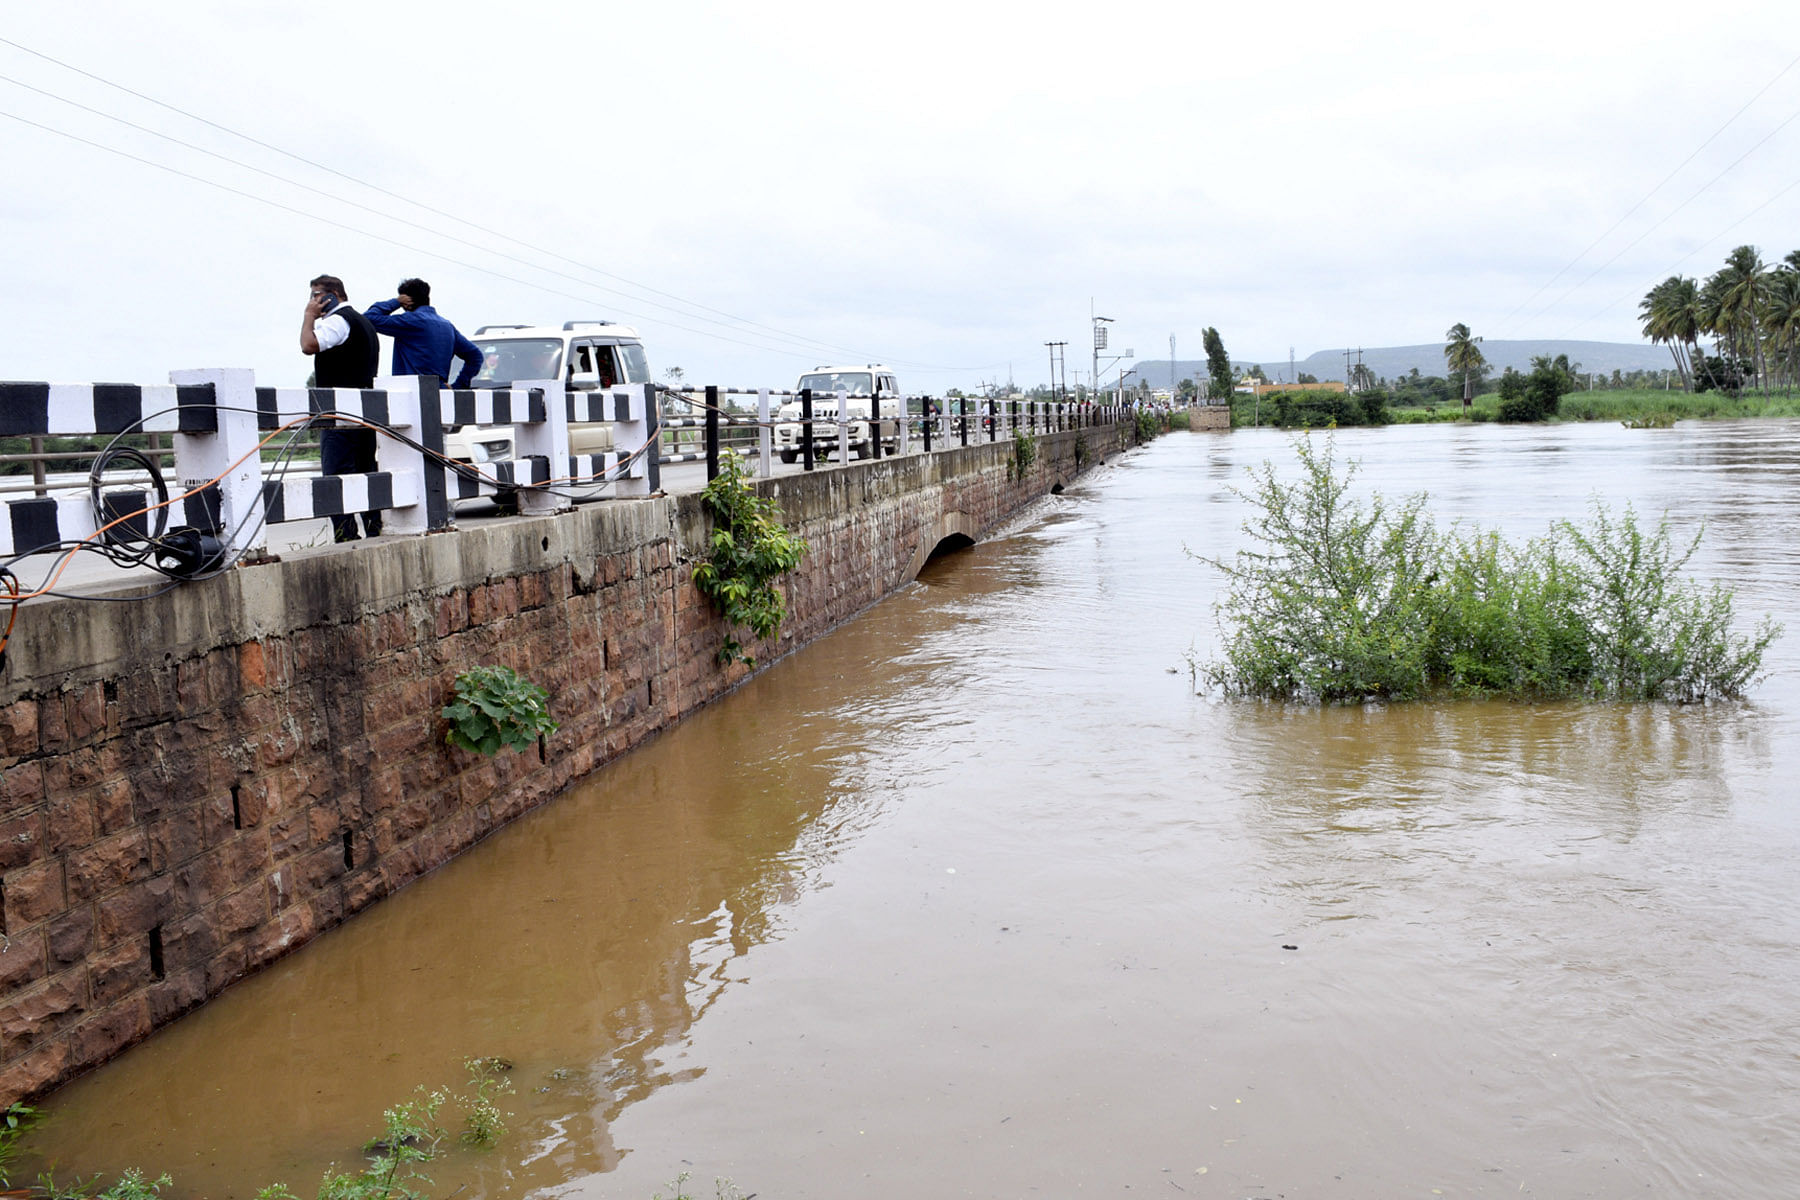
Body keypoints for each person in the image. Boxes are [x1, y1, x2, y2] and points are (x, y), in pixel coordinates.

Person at [300, 274, 383, 542]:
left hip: (339, 414)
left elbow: (308, 345)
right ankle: (375, 531)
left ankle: (346, 535)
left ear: (332, 294)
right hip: (363, 413)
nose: (312, 301)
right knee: (366, 472)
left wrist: (308, 316)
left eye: (316, 295)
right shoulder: (364, 323)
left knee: (335, 477)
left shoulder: (337, 321)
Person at [363, 278, 483, 388]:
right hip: (440, 394)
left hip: (412, 393)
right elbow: (475, 356)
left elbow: (369, 318)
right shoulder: (447, 326)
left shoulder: (411, 321)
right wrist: (458, 386)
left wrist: (395, 302)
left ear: (407, 302)